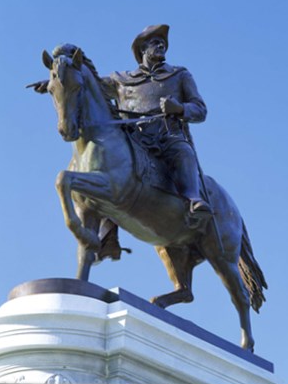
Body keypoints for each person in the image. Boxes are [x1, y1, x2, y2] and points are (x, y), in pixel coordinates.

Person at [30, 24, 211, 257]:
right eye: (155, 42)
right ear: (142, 49)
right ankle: (108, 237)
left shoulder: (180, 75)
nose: (161, 45)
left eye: (162, 42)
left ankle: (193, 199)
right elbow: (85, 83)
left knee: (183, 151)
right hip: (134, 137)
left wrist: (179, 108)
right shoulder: (122, 80)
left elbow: (200, 109)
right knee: (108, 166)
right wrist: (52, 83)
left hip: (166, 137)